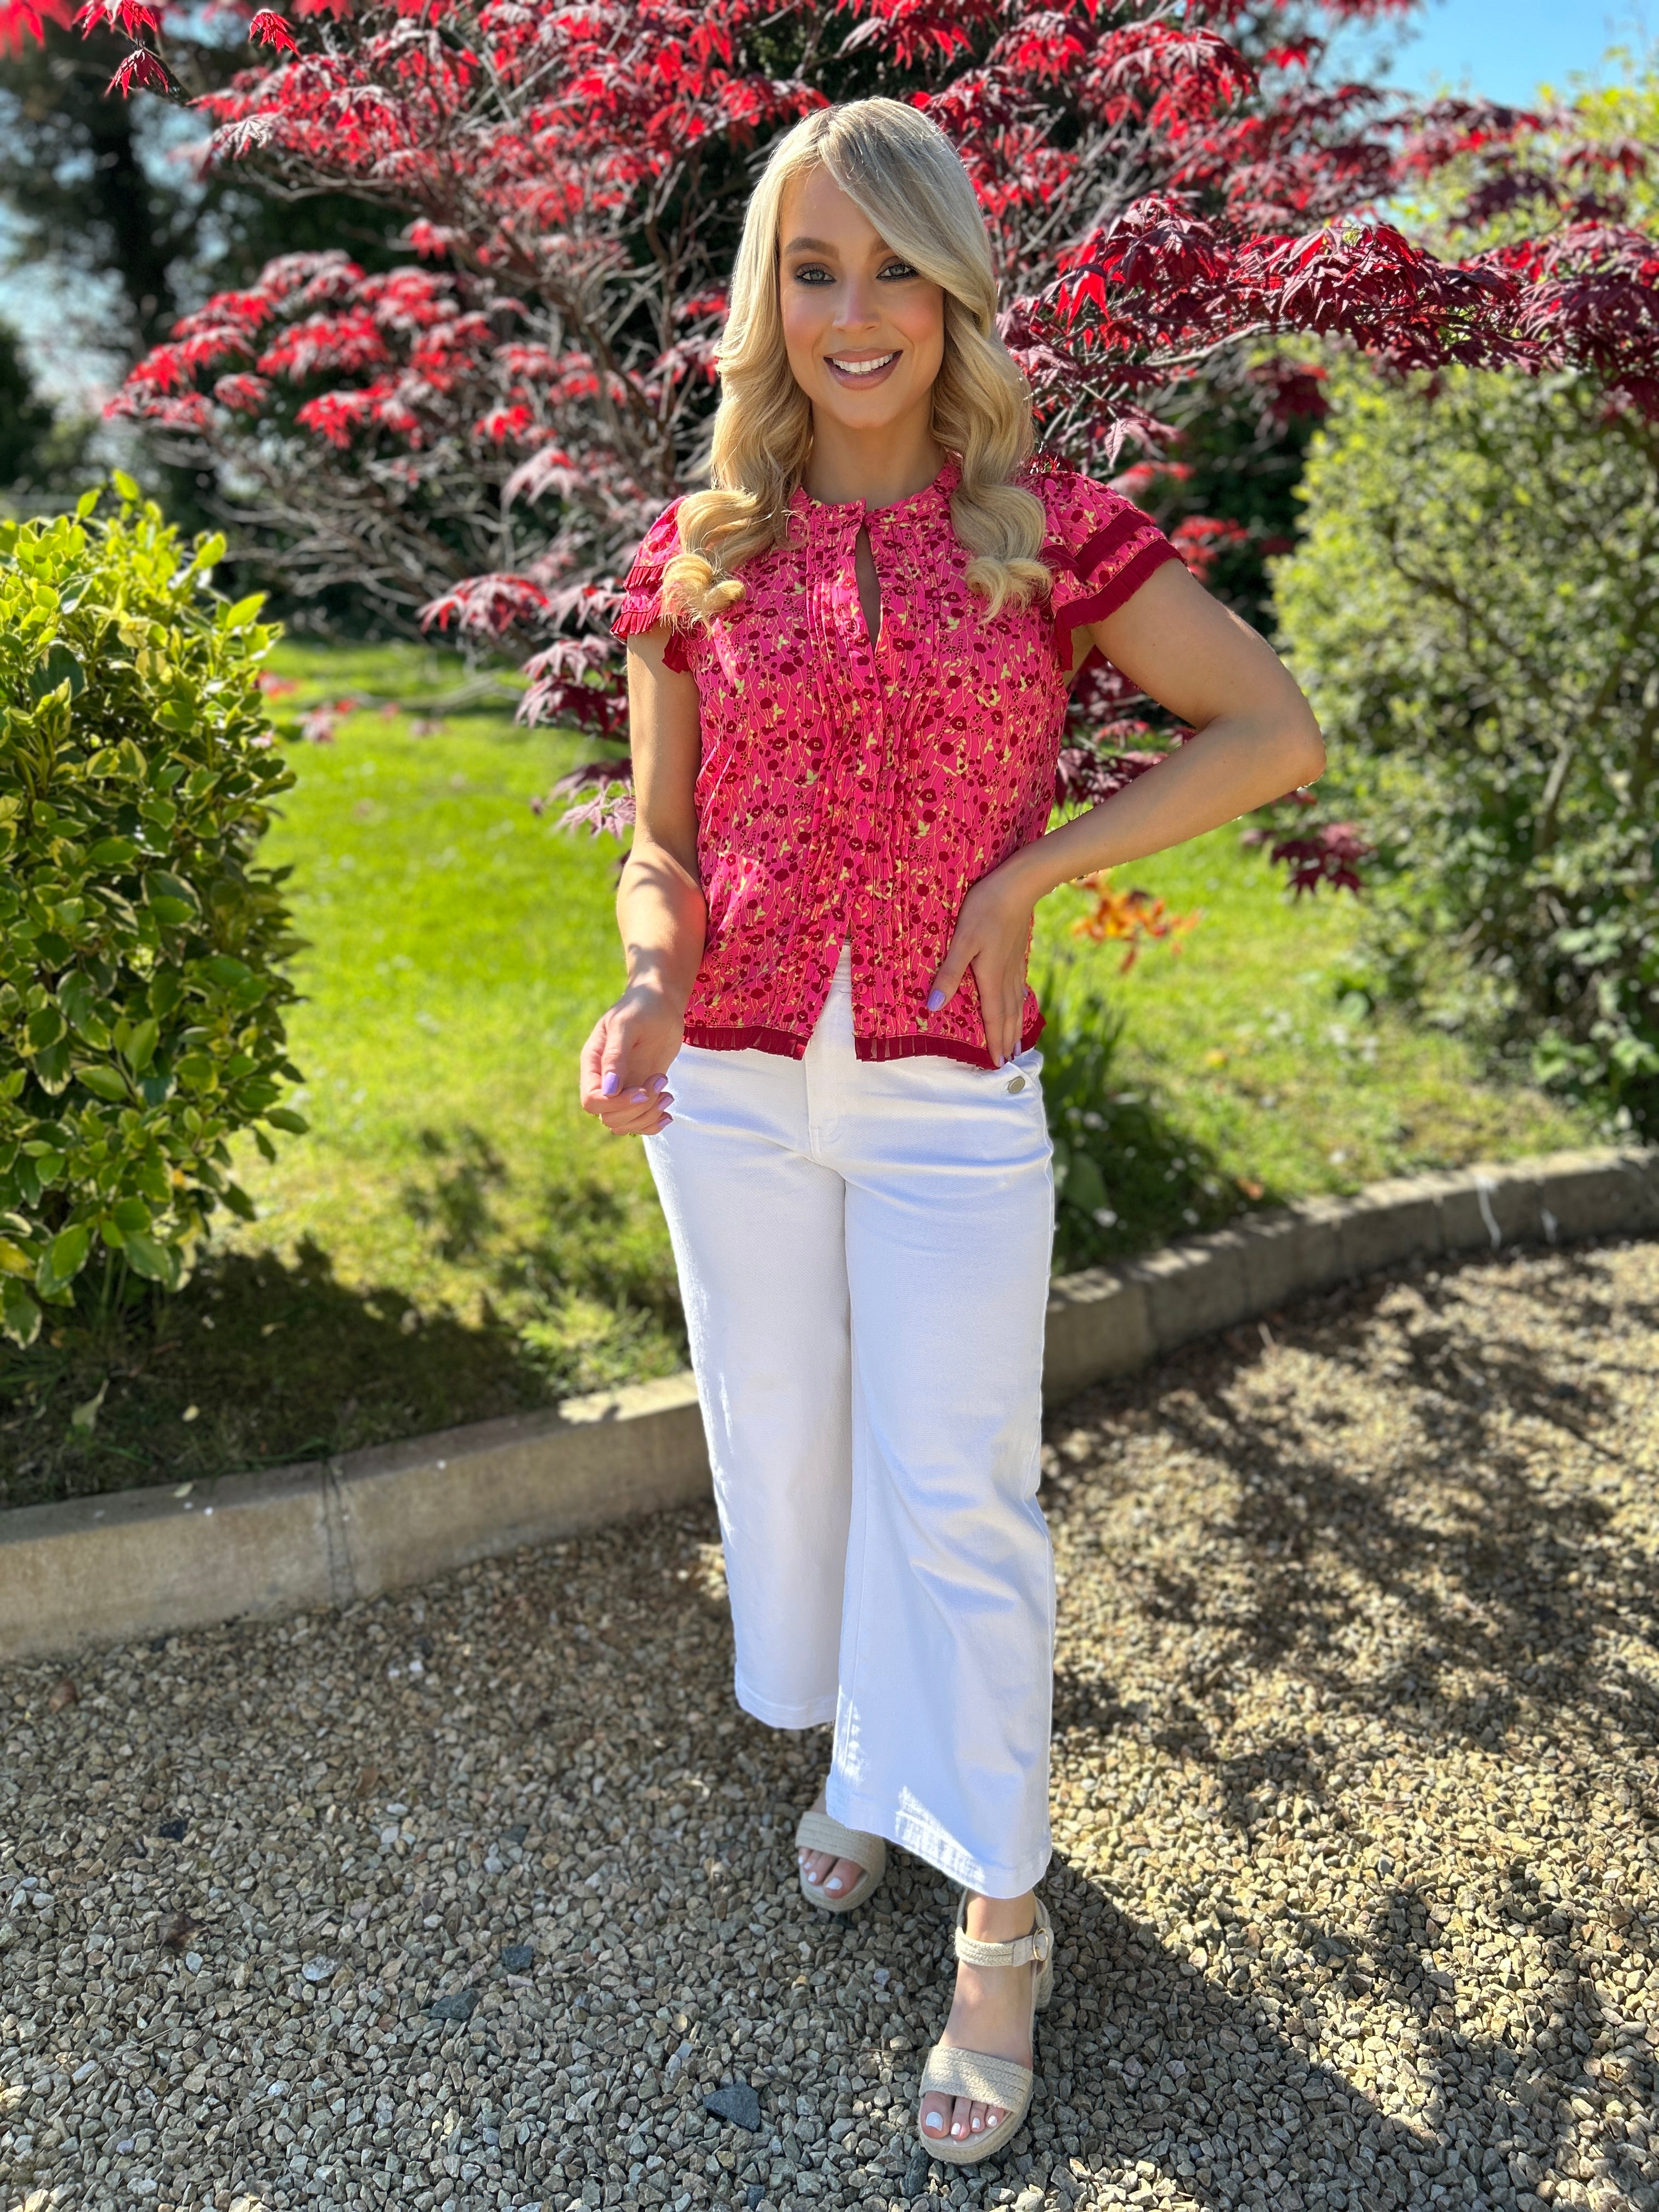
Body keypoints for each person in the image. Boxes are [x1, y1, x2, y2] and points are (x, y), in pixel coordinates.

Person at [579, 97, 1324, 2164]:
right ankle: (865, 1771)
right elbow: (661, 846)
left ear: (954, 291)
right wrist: (648, 980)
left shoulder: (1048, 531)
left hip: (948, 1100)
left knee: (960, 1489)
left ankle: (1002, 1919)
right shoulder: (700, 547)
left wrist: (1034, 873)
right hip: (733, 1094)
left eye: (895, 268)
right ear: (767, 297)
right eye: (814, 268)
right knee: (795, 1462)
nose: (856, 312)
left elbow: (1271, 730)